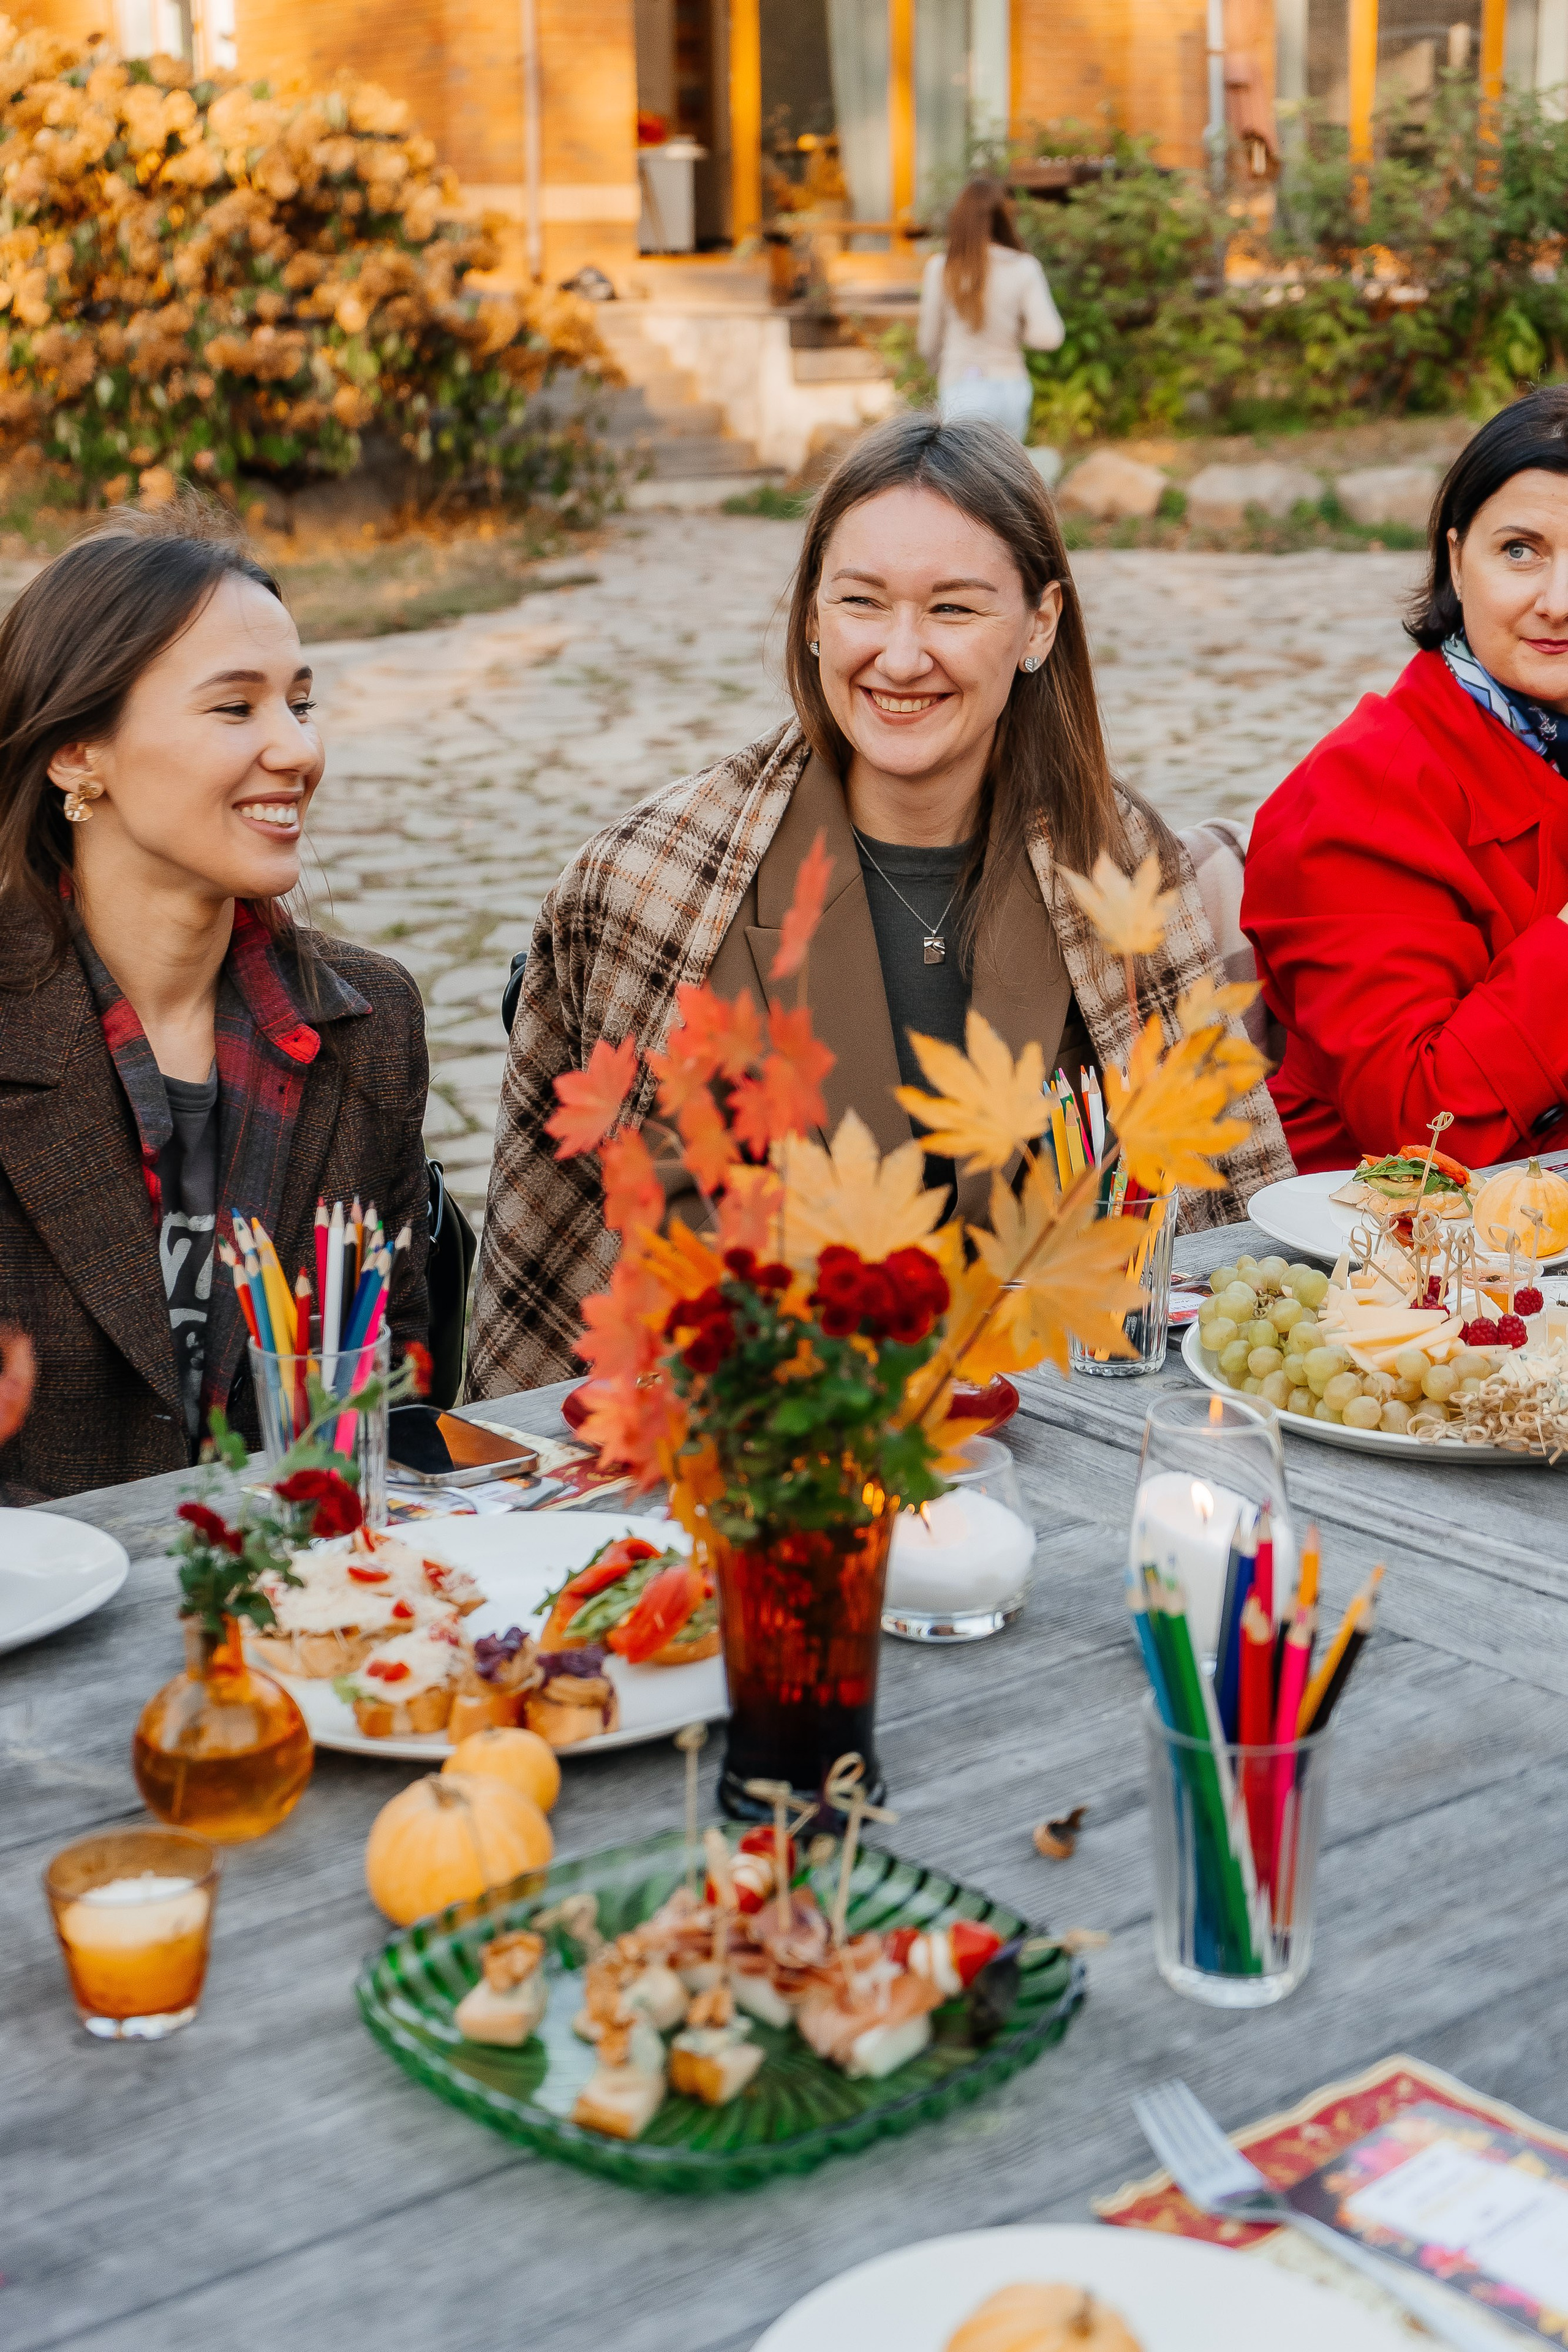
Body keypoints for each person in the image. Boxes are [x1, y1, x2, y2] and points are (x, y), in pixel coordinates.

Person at [470, 411, 1290, 1395]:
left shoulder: (1124, 871)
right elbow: (568, 1278)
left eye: (954, 610)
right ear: (813, 614)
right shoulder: (650, 887)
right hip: (758, 1450)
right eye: (863, 602)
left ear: (1039, 624)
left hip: (1070, 1438)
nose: (900, 659)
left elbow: (1218, 1247)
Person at [0, 500, 430, 1503]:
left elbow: (398, 1394)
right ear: (77, 752)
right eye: (235, 709)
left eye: (301, 703)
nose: (297, 752)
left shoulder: (370, 1022)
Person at [1244, 386, 1568, 1174]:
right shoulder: (1361, 792)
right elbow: (1422, 1127)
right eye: (1519, 550)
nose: (1557, 604)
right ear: (1457, 560)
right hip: (1393, 1259)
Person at [916, 175, 1064, 443]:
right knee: (1003, 480)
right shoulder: (1023, 266)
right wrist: (1016, 330)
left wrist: (935, 368)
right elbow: (1049, 337)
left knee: (961, 482)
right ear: (1002, 218)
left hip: (960, 386)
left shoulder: (941, 268)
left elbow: (928, 342)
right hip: (1009, 386)